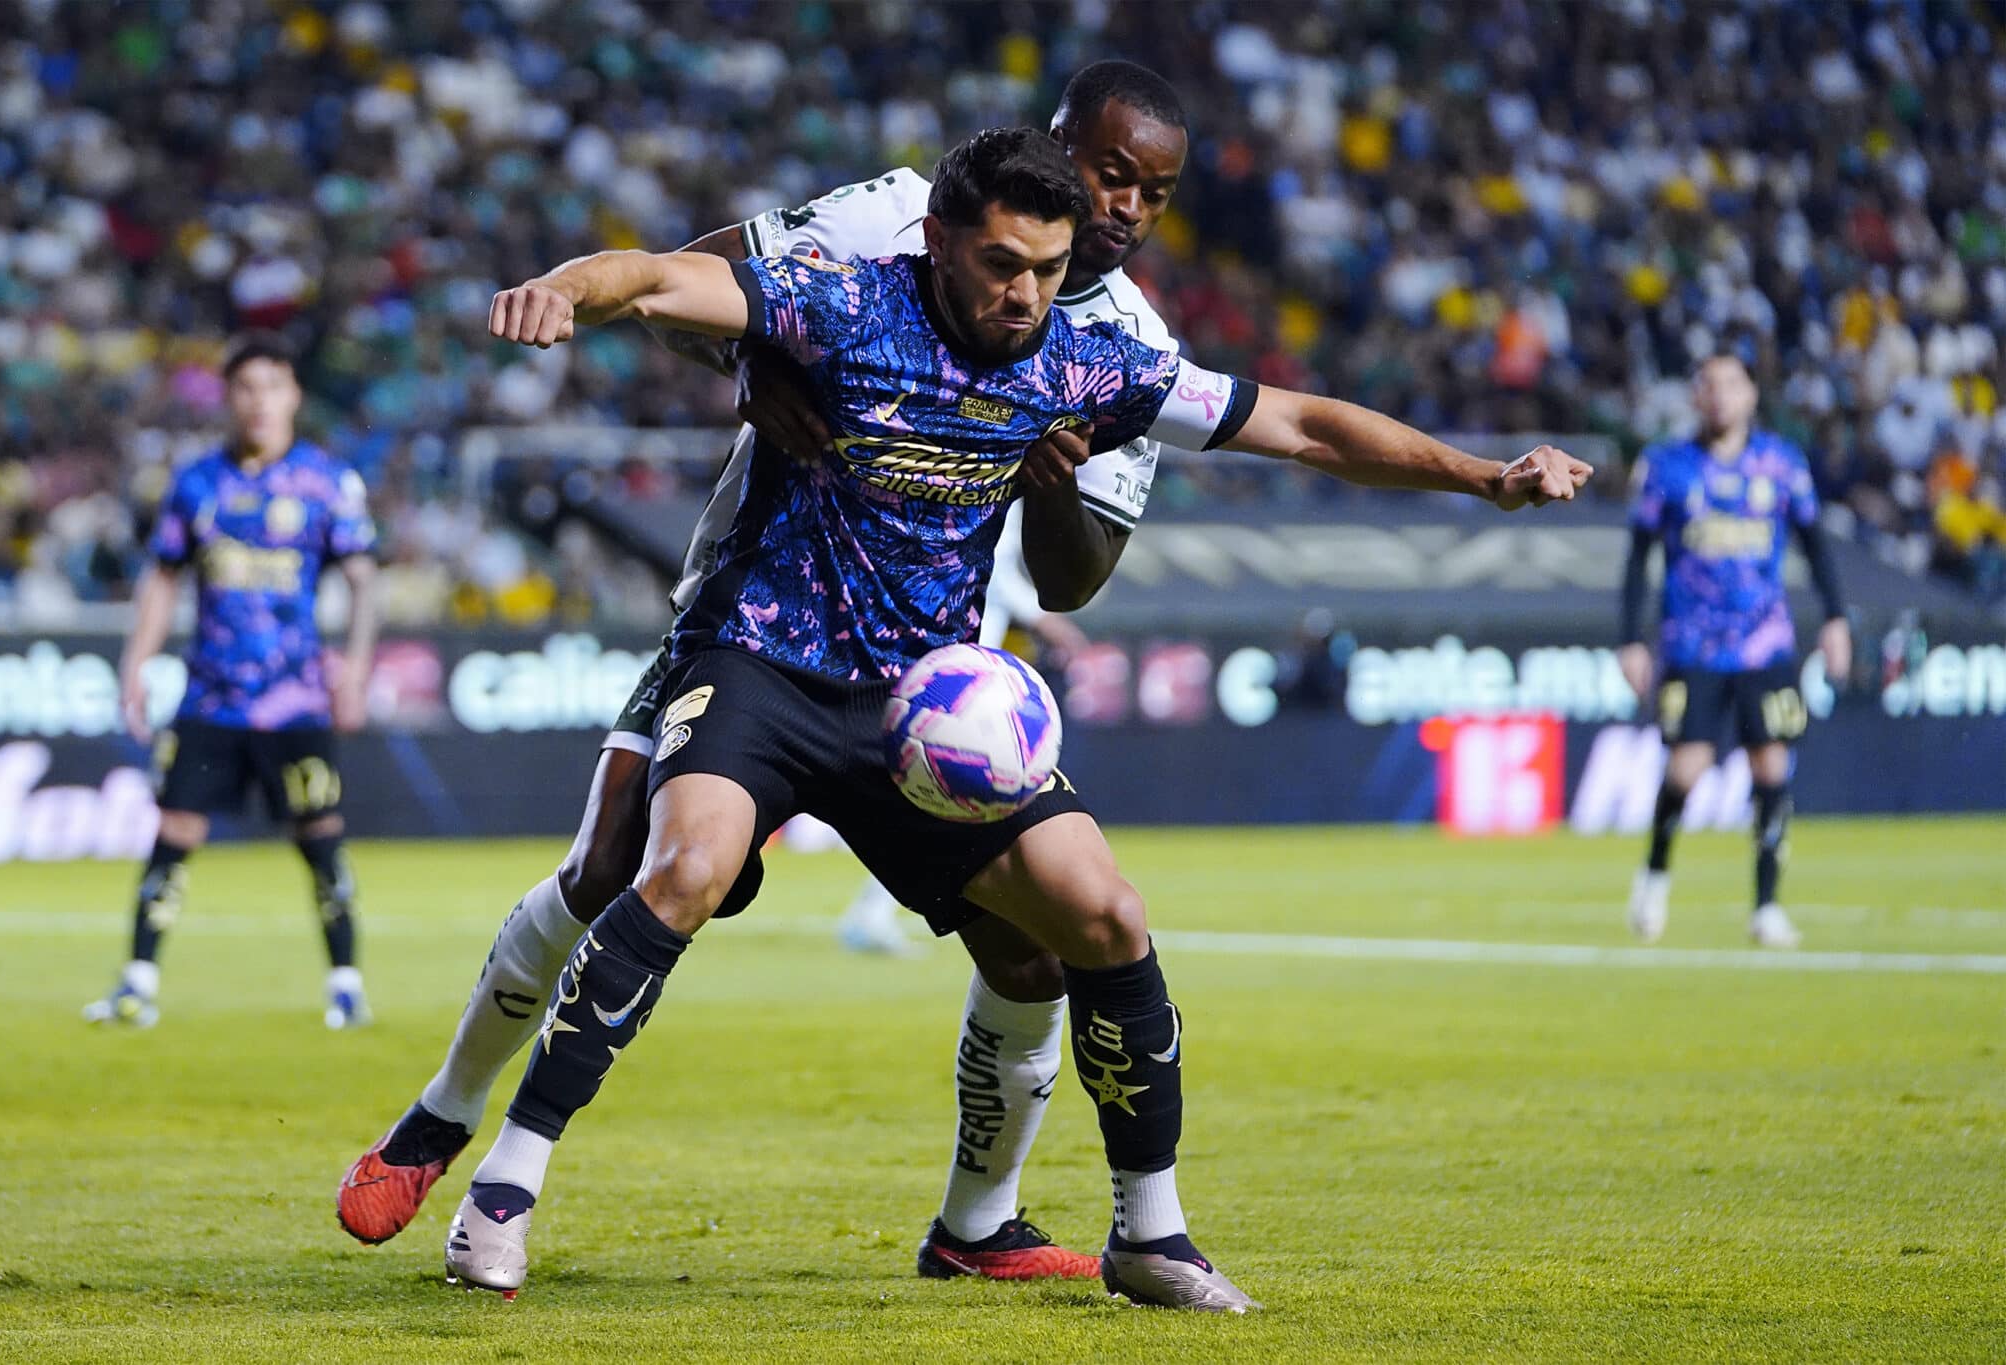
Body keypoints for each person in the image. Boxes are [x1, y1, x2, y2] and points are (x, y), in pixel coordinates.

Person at [444, 126, 1591, 1311]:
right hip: (764, 663)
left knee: (1104, 913)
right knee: (681, 867)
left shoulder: (1088, 363)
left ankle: (1150, 1236)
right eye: (999, 264)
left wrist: (1480, 473)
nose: (1023, 292)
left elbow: (1301, 426)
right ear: (937, 242)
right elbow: (655, 274)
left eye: (1044, 268)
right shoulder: (838, 304)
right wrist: (563, 290)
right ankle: (504, 1189)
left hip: (920, 703)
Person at [340, 62, 1187, 1285]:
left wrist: (1044, 480)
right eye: (1106, 173)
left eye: (1150, 193)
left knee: (1032, 950)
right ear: (1051, 149)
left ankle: (976, 1225)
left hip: (913, 672)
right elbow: (691, 279)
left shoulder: (1132, 349)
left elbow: (1073, 581)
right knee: (613, 860)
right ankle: (443, 1114)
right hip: (754, 610)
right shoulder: (888, 215)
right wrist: (761, 372)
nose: (1122, 208)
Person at [84, 333, 380, 1029]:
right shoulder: (197, 483)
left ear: (293, 396)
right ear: (229, 398)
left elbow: (365, 580)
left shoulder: (326, 482)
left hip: (295, 697)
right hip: (211, 696)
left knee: (320, 834)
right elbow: (162, 578)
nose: (260, 402)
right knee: (175, 830)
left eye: (272, 386)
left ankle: (345, 983)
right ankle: (137, 981)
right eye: (246, 388)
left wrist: (356, 669)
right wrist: (135, 663)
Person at [1620, 352, 1852, 948]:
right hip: (1692, 644)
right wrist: (1629, 638)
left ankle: (1767, 906)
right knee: (1686, 770)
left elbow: (1816, 544)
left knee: (1772, 767)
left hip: (1765, 641)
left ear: (1751, 394)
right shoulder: (1668, 466)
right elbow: (1637, 557)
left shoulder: (1780, 463)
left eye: (1732, 384)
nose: (1720, 396)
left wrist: (1834, 618)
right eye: (1709, 385)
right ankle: (1654, 872)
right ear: (1696, 398)